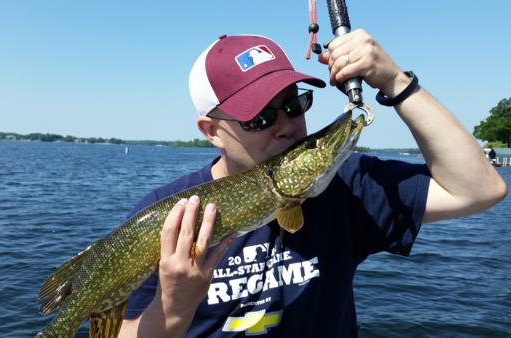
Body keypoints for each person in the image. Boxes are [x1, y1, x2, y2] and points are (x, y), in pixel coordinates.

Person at [114, 31, 507, 337]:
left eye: (294, 104)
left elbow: (479, 190)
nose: (287, 125)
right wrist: (175, 306)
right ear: (213, 131)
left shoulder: (346, 185)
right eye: (259, 118)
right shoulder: (168, 212)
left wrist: (394, 82)